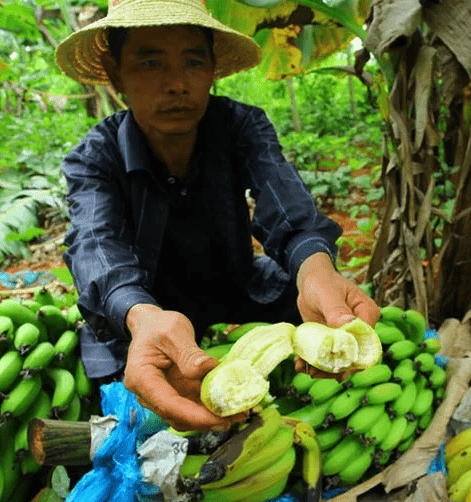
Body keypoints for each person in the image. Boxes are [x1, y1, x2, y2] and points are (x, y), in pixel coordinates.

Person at [55, 0, 380, 432]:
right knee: (127, 398)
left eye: (193, 62)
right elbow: (96, 244)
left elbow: (284, 202)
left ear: (212, 70)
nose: (176, 83)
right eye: (150, 62)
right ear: (117, 75)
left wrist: (316, 270)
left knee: (313, 303)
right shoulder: (95, 157)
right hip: (146, 310)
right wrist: (140, 315)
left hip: (231, 287)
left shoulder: (240, 127)